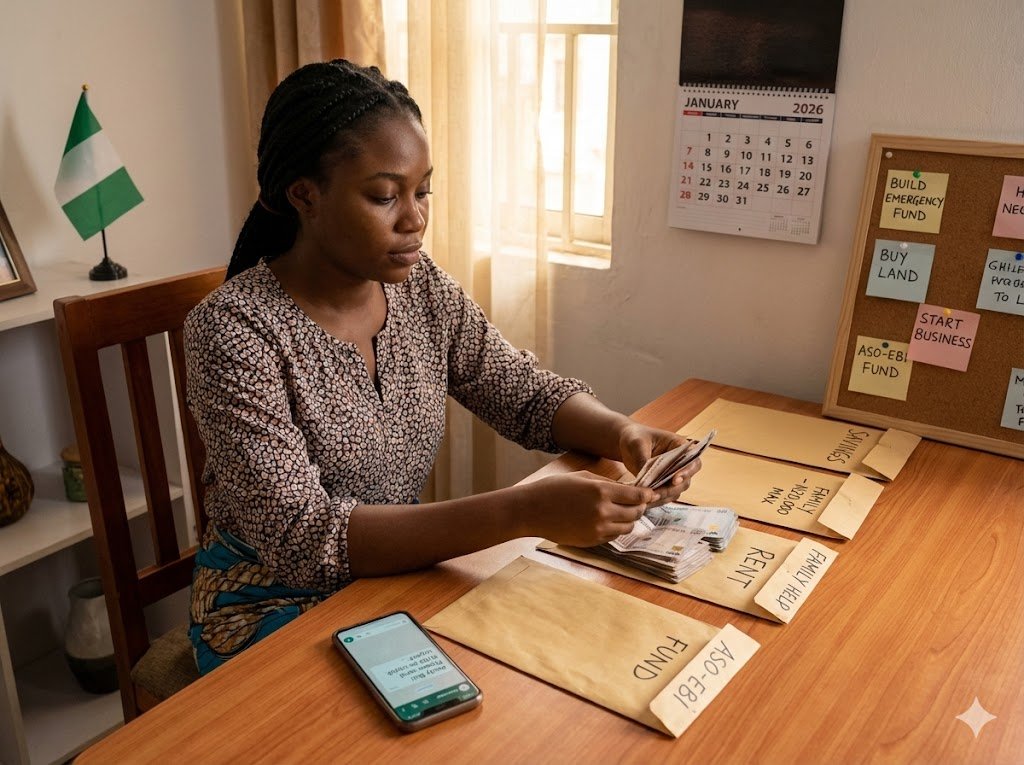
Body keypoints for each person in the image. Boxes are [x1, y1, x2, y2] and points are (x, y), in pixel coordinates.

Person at [183, 59, 702, 675]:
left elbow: (522, 392)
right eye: (384, 196)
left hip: (391, 583)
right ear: (305, 196)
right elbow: (305, 539)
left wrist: (622, 432)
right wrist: (524, 512)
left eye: (422, 190)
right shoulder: (234, 331)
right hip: (268, 607)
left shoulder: (419, 288)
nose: (415, 218)